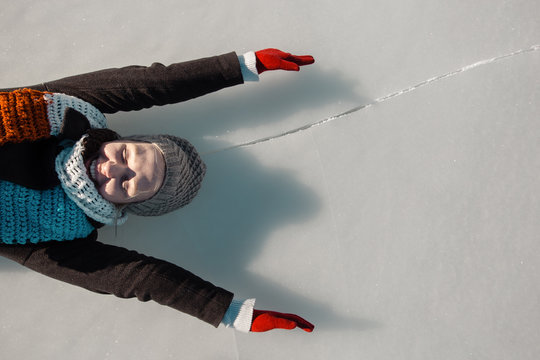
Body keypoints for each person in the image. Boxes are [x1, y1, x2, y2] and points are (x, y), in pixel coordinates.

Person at [0, 48, 315, 333]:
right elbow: (146, 84)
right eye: (123, 155)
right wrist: (240, 66)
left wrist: (231, 312)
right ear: (121, 140)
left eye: (126, 183)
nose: (110, 168)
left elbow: (140, 278)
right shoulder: (63, 112)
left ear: (125, 205)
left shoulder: (59, 238)